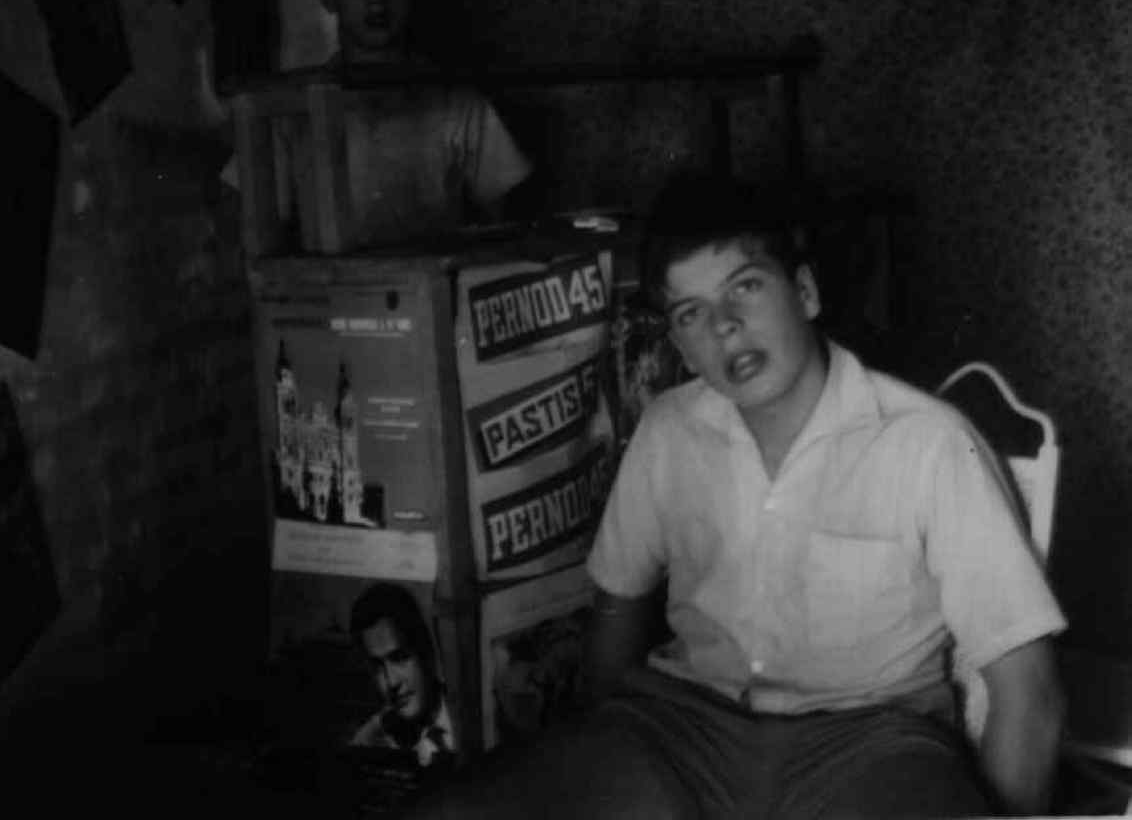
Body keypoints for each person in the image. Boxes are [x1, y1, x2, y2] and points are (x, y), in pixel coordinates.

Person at [408, 171, 1066, 820]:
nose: (724, 326)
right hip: (682, 733)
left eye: (745, 287)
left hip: (871, 743)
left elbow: (1029, 695)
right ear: (680, 345)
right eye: (692, 313)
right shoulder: (669, 428)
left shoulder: (929, 443)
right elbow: (616, 612)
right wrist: (602, 757)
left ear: (805, 292)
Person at [226, 0, 533, 249]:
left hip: (430, 281)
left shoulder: (456, 100)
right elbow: (247, 226)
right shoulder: (291, 109)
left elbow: (510, 215)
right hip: (328, 284)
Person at [349, 581, 456, 768]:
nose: (391, 682)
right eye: (377, 667)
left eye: (399, 658)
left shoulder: (473, 712)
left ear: (426, 653)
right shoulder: (368, 743)